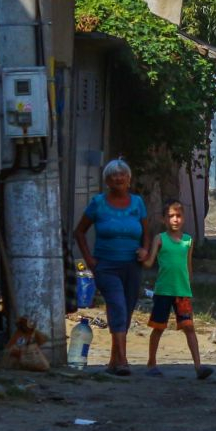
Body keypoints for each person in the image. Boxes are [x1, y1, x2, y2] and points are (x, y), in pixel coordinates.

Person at [72, 159, 152, 376]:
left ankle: (112, 361)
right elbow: (79, 231)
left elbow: (146, 233)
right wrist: (89, 259)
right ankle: (123, 361)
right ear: (107, 180)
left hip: (132, 266)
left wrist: (145, 250)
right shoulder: (98, 203)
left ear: (129, 179)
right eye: (113, 176)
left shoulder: (137, 203)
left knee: (126, 309)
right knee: (116, 305)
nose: (118, 178)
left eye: (122, 175)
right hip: (106, 265)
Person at [143, 202, 210, 380]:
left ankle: (198, 367)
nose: (175, 219)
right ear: (164, 219)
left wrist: (188, 287)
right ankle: (151, 362)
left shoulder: (188, 240)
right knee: (158, 328)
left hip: (182, 293)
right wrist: (141, 256)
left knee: (189, 327)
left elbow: (188, 267)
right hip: (163, 291)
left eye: (179, 216)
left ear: (183, 218)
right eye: (171, 216)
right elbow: (149, 263)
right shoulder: (160, 239)